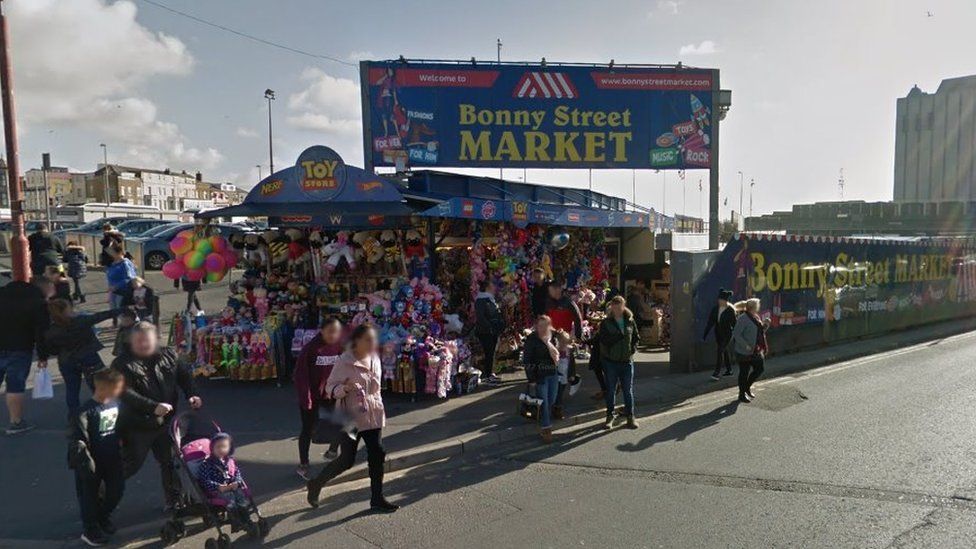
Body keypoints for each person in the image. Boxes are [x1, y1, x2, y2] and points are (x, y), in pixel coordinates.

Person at [306, 324, 399, 513]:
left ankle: (377, 498)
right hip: (351, 419)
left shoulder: (374, 358)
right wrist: (344, 389)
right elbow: (330, 388)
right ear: (357, 341)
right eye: (368, 340)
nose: (372, 343)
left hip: (372, 413)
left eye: (373, 339)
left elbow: (376, 388)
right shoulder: (344, 361)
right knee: (347, 460)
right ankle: (316, 483)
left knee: (377, 453)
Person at [113, 322, 202, 509]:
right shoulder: (121, 363)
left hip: (166, 421)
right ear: (131, 341)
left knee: (170, 461)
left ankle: (175, 501)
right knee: (129, 465)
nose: (143, 344)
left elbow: (184, 376)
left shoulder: (170, 355)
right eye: (139, 341)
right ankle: (101, 494)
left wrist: (192, 394)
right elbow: (124, 392)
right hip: (137, 424)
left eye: (147, 340)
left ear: (156, 339)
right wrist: (152, 407)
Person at [68, 368, 126, 547]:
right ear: (102, 388)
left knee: (116, 490)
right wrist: (86, 463)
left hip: (112, 458)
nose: (120, 391)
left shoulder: (116, 404)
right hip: (91, 462)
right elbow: (79, 440)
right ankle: (90, 529)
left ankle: (102, 516)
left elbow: (121, 426)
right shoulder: (84, 412)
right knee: (89, 496)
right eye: (117, 388)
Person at [45, 299, 120, 416]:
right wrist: (120, 310)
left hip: (67, 361)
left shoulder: (51, 330)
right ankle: (104, 413)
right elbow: (100, 316)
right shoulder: (80, 321)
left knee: (72, 390)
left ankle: (74, 417)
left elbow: (52, 350)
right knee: (99, 387)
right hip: (88, 357)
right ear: (66, 310)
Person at [293, 317, 344, 480]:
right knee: (308, 429)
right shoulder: (311, 348)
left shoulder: (340, 347)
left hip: (333, 394)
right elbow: (300, 375)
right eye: (330, 332)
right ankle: (304, 464)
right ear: (321, 331)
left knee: (341, 423)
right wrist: (306, 396)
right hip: (312, 396)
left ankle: (332, 451)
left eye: (336, 332)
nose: (333, 335)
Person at [0, 280, 50, 434]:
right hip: (20, 347)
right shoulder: (37, 302)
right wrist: (43, 356)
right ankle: (16, 422)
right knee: (15, 386)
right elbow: (41, 332)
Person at [197, 432, 253, 529]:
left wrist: (237, 482)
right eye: (218, 447)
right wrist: (218, 487)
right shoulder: (207, 464)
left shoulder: (230, 461)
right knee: (230, 499)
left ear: (229, 448)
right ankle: (236, 522)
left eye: (224, 447)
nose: (221, 449)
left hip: (232, 486)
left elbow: (237, 473)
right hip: (217, 490)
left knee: (241, 498)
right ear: (212, 448)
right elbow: (205, 480)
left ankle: (246, 519)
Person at [599, 296, 640, 430]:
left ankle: (630, 416)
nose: (617, 310)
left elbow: (636, 338)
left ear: (623, 306)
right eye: (615, 308)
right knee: (611, 390)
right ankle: (610, 416)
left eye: (619, 307)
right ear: (611, 308)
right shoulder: (606, 323)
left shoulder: (630, 321)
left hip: (627, 362)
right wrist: (617, 337)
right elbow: (603, 341)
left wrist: (632, 350)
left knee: (628, 390)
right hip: (611, 362)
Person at [521, 315, 561, 443]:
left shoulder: (552, 337)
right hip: (539, 375)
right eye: (540, 325)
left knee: (551, 400)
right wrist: (531, 379)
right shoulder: (532, 339)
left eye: (545, 325)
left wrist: (549, 343)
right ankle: (546, 428)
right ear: (536, 326)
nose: (543, 328)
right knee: (543, 402)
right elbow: (527, 360)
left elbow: (558, 355)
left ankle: (544, 419)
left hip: (552, 373)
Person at [731, 298, 769, 403]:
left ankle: (746, 387)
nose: (759, 307)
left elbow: (759, 332)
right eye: (758, 305)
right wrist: (746, 345)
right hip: (744, 352)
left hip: (756, 350)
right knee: (744, 373)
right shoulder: (743, 318)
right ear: (753, 307)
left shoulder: (755, 317)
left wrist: (766, 325)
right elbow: (736, 334)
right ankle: (741, 394)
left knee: (760, 369)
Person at [473, 280, 504, 385]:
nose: (494, 287)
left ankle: (490, 373)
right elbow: (481, 317)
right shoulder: (481, 300)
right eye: (492, 285)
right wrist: (489, 326)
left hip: (492, 330)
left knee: (491, 352)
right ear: (487, 287)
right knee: (488, 352)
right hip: (485, 331)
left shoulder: (490, 299)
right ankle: (487, 375)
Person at [703, 288, 737, 380]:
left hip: (727, 334)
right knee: (724, 351)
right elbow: (710, 322)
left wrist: (737, 336)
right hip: (718, 333)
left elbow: (734, 324)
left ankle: (716, 373)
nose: (719, 301)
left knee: (720, 351)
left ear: (725, 300)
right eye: (719, 299)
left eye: (721, 299)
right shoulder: (715, 309)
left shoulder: (730, 310)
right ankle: (729, 370)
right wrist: (705, 333)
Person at [104, 243, 136, 314]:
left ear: (119, 252)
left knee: (122, 311)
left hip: (123, 292)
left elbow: (129, 278)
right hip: (113, 291)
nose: (111, 255)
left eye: (112, 253)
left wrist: (116, 286)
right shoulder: (112, 264)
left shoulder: (125, 263)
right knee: (113, 311)